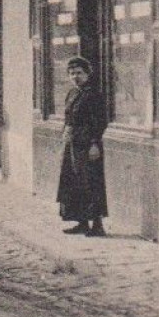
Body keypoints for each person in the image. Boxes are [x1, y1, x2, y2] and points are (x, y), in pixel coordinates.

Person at [57, 56, 108, 236]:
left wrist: (94, 143)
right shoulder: (72, 93)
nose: (75, 76)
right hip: (73, 143)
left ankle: (98, 224)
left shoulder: (94, 95)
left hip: (88, 144)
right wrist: (65, 135)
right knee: (74, 183)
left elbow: (100, 121)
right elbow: (69, 118)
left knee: (90, 183)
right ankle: (82, 222)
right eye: (72, 73)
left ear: (87, 73)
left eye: (79, 73)